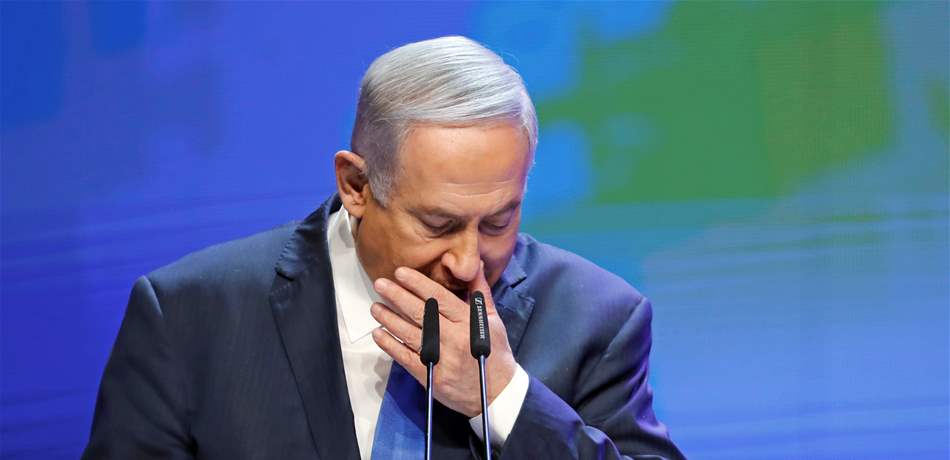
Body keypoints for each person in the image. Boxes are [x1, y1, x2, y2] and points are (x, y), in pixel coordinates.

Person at [82, 36, 685, 460]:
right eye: (439, 224)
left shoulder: (596, 318)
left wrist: (503, 397)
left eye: (498, 221)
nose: (467, 262)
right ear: (357, 186)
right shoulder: (191, 314)